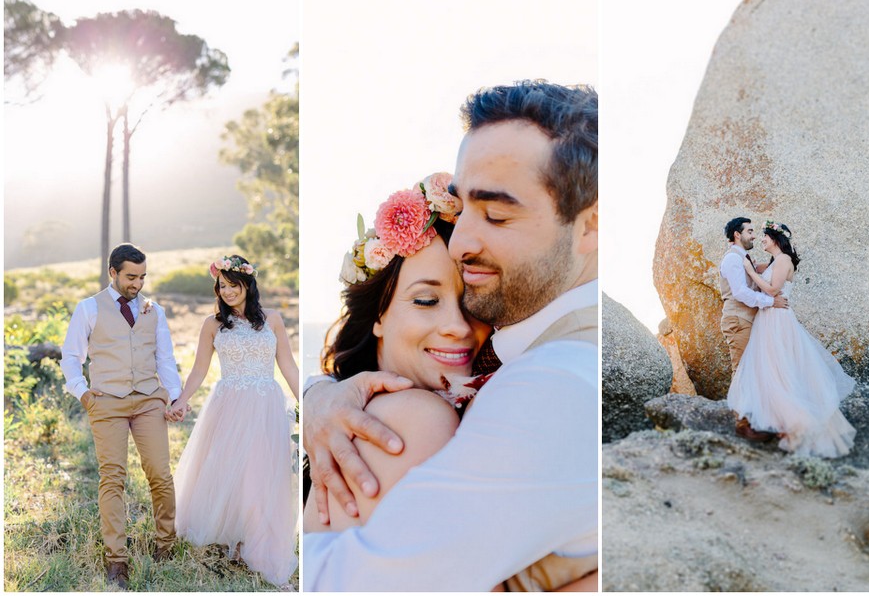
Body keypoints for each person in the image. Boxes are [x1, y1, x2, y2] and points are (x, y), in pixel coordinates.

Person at [302, 80, 599, 591]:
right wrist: (319, 394)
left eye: (498, 214)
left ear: (591, 226)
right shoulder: (426, 407)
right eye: (464, 209)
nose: (462, 241)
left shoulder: (552, 385)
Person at [169, 255, 300, 586]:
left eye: (233, 285)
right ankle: (234, 538)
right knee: (230, 471)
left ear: (248, 285)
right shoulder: (212, 325)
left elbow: (288, 366)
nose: (227, 292)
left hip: (265, 404)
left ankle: (258, 545)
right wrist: (181, 401)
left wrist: (308, 405)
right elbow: (199, 369)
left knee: (261, 473)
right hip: (228, 403)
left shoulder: (273, 320)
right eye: (222, 286)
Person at [59, 243, 184, 589]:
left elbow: (165, 359)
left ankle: (165, 544)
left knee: (160, 473)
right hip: (107, 402)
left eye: (142, 277)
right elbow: (71, 355)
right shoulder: (88, 308)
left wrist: (174, 397)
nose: (137, 284)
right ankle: (116, 560)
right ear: (112, 272)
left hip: (148, 400)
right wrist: (81, 391)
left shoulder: (152, 310)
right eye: (131, 277)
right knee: (112, 478)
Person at [726, 221, 857, 457]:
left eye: (764, 235)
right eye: (755, 234)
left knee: (780, 368)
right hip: (767, 318)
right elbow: (760, 277)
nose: (761, 239)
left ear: (775, 239)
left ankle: (795, 422)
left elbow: (772, 290)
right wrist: (753, 268)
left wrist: (751, 271)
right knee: (771, 370)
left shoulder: (784, 260)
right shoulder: (776, 261)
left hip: (776, 318)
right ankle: (777, 421)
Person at [718, 216, 789, 441]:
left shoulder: (743, 258)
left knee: (754, 370)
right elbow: (739, 292)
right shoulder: (732, 259)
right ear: (737, 235)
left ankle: (758, 420)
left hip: (747, 320)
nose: (754, 236)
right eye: (749, 231)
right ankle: (742, 424)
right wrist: (771, 302)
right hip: (738, 320)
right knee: (742, 371)